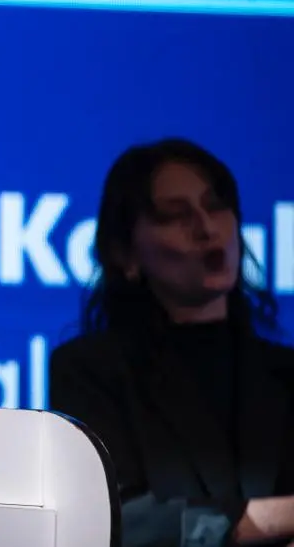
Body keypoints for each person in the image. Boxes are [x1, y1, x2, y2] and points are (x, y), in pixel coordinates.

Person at [50, 138, 294, 547]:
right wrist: (274, 519)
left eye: (216, 206)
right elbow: (119, 520)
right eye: (175, 215)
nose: (207, 229)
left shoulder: (284, 373)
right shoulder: (90, 372)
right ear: (126, 255)